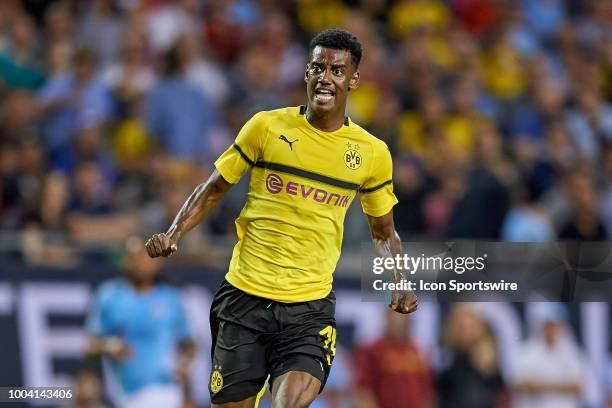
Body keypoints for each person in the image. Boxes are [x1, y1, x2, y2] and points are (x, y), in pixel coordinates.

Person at [145, 28, 418, 407]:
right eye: (318, 67)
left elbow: (383, 230)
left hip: (308, 308)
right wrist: (174, 232)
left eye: (337, 70)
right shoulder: (266, 127)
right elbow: (213, 188)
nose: (326, 77)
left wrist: (400, 280)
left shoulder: (372, 154)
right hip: (244, 299)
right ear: (306, 73)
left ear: (353, 79)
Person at [85, 237, 196, 408]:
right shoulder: (109, 296)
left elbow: (188, 343)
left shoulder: (170, 298)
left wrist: (185, 363)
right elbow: (90, 345)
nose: (141, 263)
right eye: (135, 257)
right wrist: (110, 346)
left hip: (166, 389)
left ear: (157, 263)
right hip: (124, 392)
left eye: (146, 258)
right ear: (125, 260)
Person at [353, 309, 433, 408]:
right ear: (387, 315)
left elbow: (427, 393)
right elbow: (364, 392)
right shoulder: (373, 350)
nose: (398, 319)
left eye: (403, 315)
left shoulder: (418, 351)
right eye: (395, 314)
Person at [511, 303, 585, 408]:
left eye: (555, 325)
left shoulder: (571, 351)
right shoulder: (525, 351)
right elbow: (521, 385)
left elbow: (578, 387)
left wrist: (540, 386)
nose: (551, 330)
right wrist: (563, 387)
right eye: (548, 325)